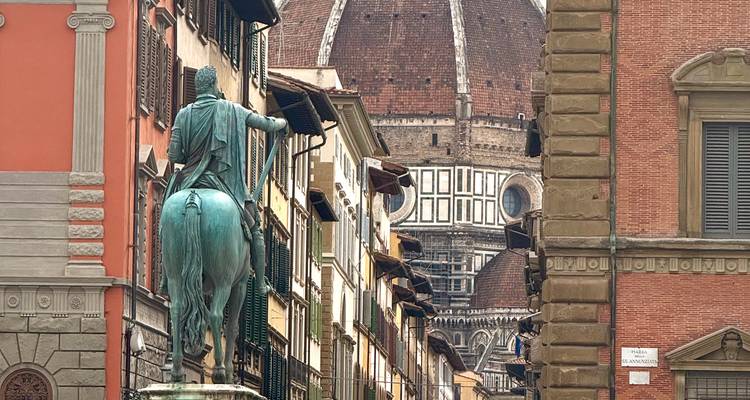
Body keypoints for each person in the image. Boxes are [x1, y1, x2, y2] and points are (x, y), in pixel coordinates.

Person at [161, 65, 286, 293]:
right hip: (225, 184)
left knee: (166, 216)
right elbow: (265, 124)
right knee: (255, 227)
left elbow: (174, 155)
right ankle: (259, 283)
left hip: (189, 181)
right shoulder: (233, 110)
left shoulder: (183, 114)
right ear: (214, 85)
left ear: (198, 86)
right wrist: (282, 124)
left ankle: (164, 274)